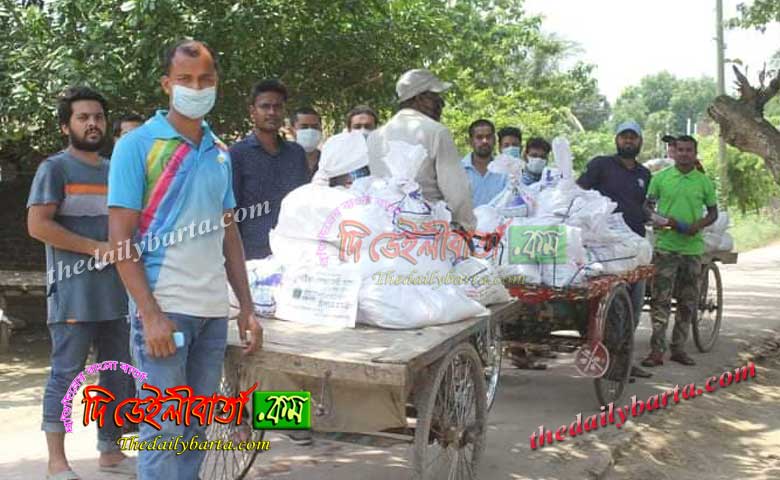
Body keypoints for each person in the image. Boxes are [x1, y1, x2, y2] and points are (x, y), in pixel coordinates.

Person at [107, 39, 262, 479]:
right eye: (185, 80)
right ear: (166, 85)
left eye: (205, 80)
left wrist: (246, 308)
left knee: (193, 427)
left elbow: (229, 233)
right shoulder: (137, 146)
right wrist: (150, 314)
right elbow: (120, 239)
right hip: (166, 313)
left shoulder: (219, 152)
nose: (197, 87)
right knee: (163, 429)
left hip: (212, 314)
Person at [27, 86, 134, 479]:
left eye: (99, 118)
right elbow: (37, 225)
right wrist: (93, 247)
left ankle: (110, 450)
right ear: (65, 126)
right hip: (73, 295)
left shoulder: (114, 170)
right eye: (83, 117)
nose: (93, 124)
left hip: (118, 294)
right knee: (66, 374)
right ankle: (57, 462)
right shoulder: (53, 169)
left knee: (118, 372)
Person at [577, 120, 653, 379]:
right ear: (616, 140)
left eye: (633, 137)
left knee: (634, 306)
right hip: (606, 249)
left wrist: (654, 217)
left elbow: (641, 206)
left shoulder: (644, 174)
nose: (628, 141)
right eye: (624, 137)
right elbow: (580, 192)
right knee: (612, 310)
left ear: (640, 141)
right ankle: (609, 363)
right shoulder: (601, 165)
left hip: (634, 250)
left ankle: (624, 361)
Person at [367, 68, 476, 231]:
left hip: (383, 230)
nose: (442, 103)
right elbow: (457, 192)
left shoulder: (375, 137)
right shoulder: (437, 132)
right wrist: (466, 229)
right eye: (435, 97)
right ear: (419, 98)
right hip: (426, 232)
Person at [642, 135, 718, 368]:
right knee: (660, 301)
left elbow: (713, 213)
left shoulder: (703, 182)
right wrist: (665, 221)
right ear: (674, 152)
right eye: (680, 150)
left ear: (695, 153)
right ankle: (656, 351)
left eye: (689, 150)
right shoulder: (660, 179)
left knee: (687, 302)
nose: (684, 154)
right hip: (666, 248)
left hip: (692, 250)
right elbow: (647, 208)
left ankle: (679, 349)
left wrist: (699, 225)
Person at [230, 79, 309, 260]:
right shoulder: (237, 154)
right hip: (252, 255)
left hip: (295, 252)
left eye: (277, 107)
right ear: (253, 111)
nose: (272, 112)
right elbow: (230, 213)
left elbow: (305, 202)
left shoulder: (296, 153)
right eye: (265, 107)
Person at [461, 119, 506, 207]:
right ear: (470, 141)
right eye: (479, 137)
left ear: (494, 140)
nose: (484, 141)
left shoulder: (504, 170)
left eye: (488, 137)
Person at [291, 106, 323, 180]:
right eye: (304, 127)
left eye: (315, 127)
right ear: (292, 130)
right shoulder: (282, 161)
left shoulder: (328, 161)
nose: (310, 131)